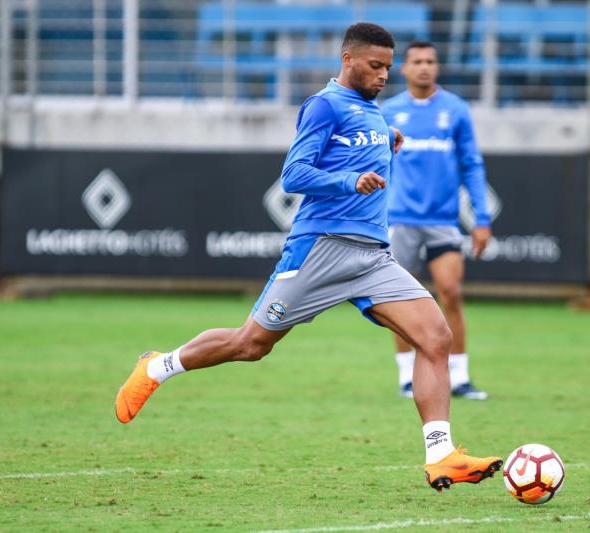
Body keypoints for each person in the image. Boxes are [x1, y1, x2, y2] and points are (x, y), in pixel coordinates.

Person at [114, 24, 500, 492]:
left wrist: (387, 143)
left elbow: (360, 149)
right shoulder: (324, 105)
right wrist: (349, 181)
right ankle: (159, 365)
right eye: (375, 66)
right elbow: (294, 174)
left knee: (436, 336)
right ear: (348, 59)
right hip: (321, 248)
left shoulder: (373, 113)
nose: (383, 76)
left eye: (387, 68)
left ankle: (441, 454)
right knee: (250, 344)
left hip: (373, 256)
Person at [381, 42, 491, 401]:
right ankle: (406, 377)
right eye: (417, 62)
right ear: (405, 69)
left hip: (443, 219)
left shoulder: (455, 110)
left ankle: (458, 376)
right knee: (399, 301)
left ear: (437, 67)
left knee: (451, 293)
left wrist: (481, 217)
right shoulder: (389, 111)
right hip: (399, 221)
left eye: (430, 61)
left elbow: (472, 165)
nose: (424, 67)